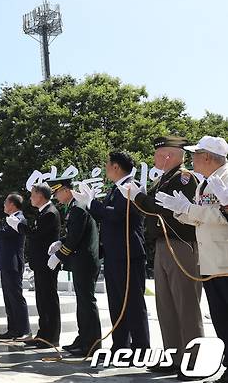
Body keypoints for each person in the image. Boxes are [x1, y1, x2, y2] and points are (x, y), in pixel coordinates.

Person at [121, 136, 204, 373]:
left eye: (159, 154)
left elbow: (162, 209)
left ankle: (194, 360)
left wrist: (138, 197)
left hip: (180, 245)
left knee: (186, 306)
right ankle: (174, 357)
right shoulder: (165, 179)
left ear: (170, 155)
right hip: (163, 245)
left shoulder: (183, 178)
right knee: (166, 306)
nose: (156, 158)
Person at [156, 136, 228, 383]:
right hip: (210, 261)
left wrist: (189, 210)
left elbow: (221, 216)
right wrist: (180, 209)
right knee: (220, 318)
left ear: (207, 156)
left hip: (225, 259)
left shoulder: (226, 177)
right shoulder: (204, 184)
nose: (192, 159)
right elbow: (200, 218)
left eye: (196, 154)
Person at [81, 151, 150, 354]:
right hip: (115, 253)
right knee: (117, 303)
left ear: (116, 167)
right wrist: (92, 204)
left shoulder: (130, 187)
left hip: (129, 253)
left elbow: (117, 216)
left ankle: (141, 349)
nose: (106, 168)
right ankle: (121, 347)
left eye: (107, 165)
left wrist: (91, 203)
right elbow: (108, 216)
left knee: (133, 303)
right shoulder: (116, 188)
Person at [47, 177, 101, 357]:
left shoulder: (78, 208)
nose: (55, 197)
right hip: (81, 260)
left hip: (84, 261)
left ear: (65, 190)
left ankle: (91, 343)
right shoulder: (74, 207)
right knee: (82, 303)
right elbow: (74, 235)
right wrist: (59, 242)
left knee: (87, 302)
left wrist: (59, 255)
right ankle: (83, 338)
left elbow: (75, 238)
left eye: (56, 193)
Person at [0, 193, 30, 339]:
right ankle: (13, 329)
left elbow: (2, 234)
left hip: (13, 263)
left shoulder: (18, 219)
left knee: (15, 297)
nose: (3, 205)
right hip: (7, 263)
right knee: (8, 298)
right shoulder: (11, 218)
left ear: (13, 205)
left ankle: (23, 329)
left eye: (5, 203)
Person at [19, 182, 62, 349]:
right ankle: (43, 334)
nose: (31, 197)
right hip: (41, 263)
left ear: (40, 196)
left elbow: (37, 236)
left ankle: (51, 336)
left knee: (48, 300)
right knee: (42, 300)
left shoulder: (50, 213)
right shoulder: (43, 212)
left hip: (47, 264)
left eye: (33, 194)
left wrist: (20, 227)